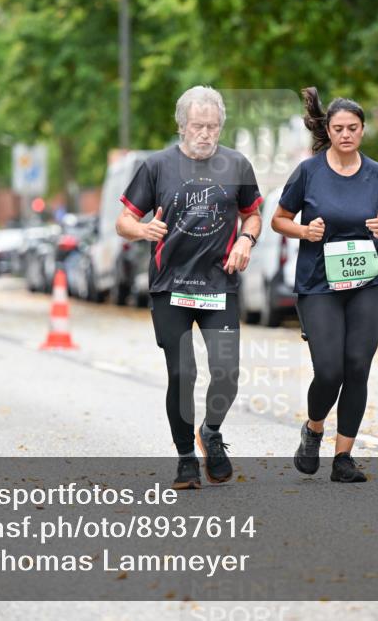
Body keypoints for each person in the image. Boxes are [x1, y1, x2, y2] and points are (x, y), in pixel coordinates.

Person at [116, 86, 262, 490]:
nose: (206, 134)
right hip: (171, 287)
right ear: (182, 126)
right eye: (198, 125)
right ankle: (185, 458)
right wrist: (143, 229)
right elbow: (123, 221)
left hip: (219, 285)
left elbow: (253, 215)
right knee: (182, 373)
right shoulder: (157, 166)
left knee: (227, 374)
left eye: (213, 126)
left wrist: (247, 241)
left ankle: (210, 432)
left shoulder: (236, 165)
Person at [271, 88, 378, 483]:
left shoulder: (377, 174)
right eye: (338, 128)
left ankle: (343, 458)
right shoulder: (309, 172)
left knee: (357, 368)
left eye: (353, 128)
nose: (345, 134)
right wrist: (304, 231)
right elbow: (279, 219)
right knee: (329, 370)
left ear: (362, 131)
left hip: (367, 284)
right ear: (328, 131)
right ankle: (313, 429)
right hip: (319, 284)